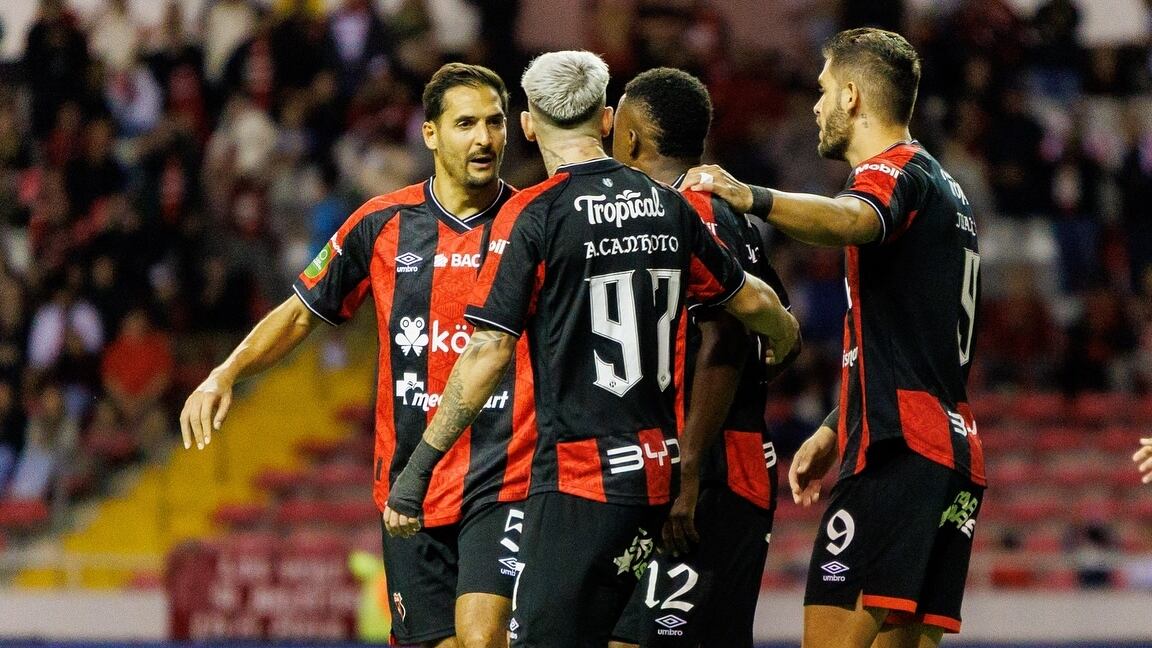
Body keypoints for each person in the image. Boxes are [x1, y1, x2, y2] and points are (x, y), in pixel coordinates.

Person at [382, 51, 798, 648]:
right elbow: (753, 301)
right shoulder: (667, 204)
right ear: (605, 120)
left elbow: (485, 356)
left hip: (580, 482)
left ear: (527, 125)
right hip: (657, 478)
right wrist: (785, 341)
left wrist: (416, 470)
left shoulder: (534, 214)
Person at [180, 63, 533, 648]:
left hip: (506, 479)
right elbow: (299, 312)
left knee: (483, 636)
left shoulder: (533, 223)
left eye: (495, 123)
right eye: (466, 123)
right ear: (429, 134)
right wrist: (227, 371)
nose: (484, 139)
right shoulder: (381, 224)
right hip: (406, 492)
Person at [683, 27, 986, 648]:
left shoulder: (894, 172)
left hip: (896, 454)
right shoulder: (948, 191)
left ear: (851, 95)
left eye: (823, 92)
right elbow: (912, 344)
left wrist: (752, 197)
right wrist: (833, 427)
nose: (815, 106)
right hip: (948, 454)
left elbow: (853, 219)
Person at [608, 67, 798, 647]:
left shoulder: (699, 210)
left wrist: (688, 469)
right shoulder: (689, 207)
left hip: (710, 468)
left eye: (617, 123)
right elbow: (779, 339)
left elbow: (732, 336)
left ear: (635, 137)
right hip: (684, 462)